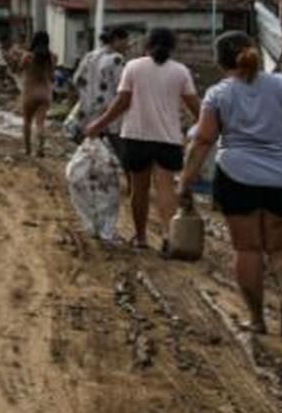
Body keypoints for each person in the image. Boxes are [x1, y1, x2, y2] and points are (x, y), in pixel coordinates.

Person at [176, 31, 282, 336]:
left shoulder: (218, 94)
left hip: (238, 177)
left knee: (247, 249)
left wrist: (185, 181)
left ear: (221, 61)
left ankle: (256, 319)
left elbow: (203, 141)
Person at [85, 27, 199, 249]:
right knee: (165, 188)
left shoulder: (134, 67)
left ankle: (141, 238)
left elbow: (122, 102)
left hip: (136, 137)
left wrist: (98, 124)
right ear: (172, 48)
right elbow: (196, 107)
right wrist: (205, 130)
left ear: (147, 45)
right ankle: (169, 236)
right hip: (168, 139)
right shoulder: (181, 71)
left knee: (139, 189)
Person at [67, 27, 130, 154]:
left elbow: (76, 80)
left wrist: (87, 96)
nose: (127, 45)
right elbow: (124, 87)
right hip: (111, 112)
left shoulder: (90, 56)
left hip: (89, 110)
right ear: (116, 40)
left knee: (92, 150)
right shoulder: (116, 59)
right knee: (120, 149)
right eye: (125, 41)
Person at [15, 30, 56, 156]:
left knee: (27, 122)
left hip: (29, 92)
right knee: (40, 123)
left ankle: (28, 150)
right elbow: (52, 76)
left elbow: (19, 69)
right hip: (45, 93)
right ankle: (40, 149)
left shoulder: (27, 56)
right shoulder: (52, 57)